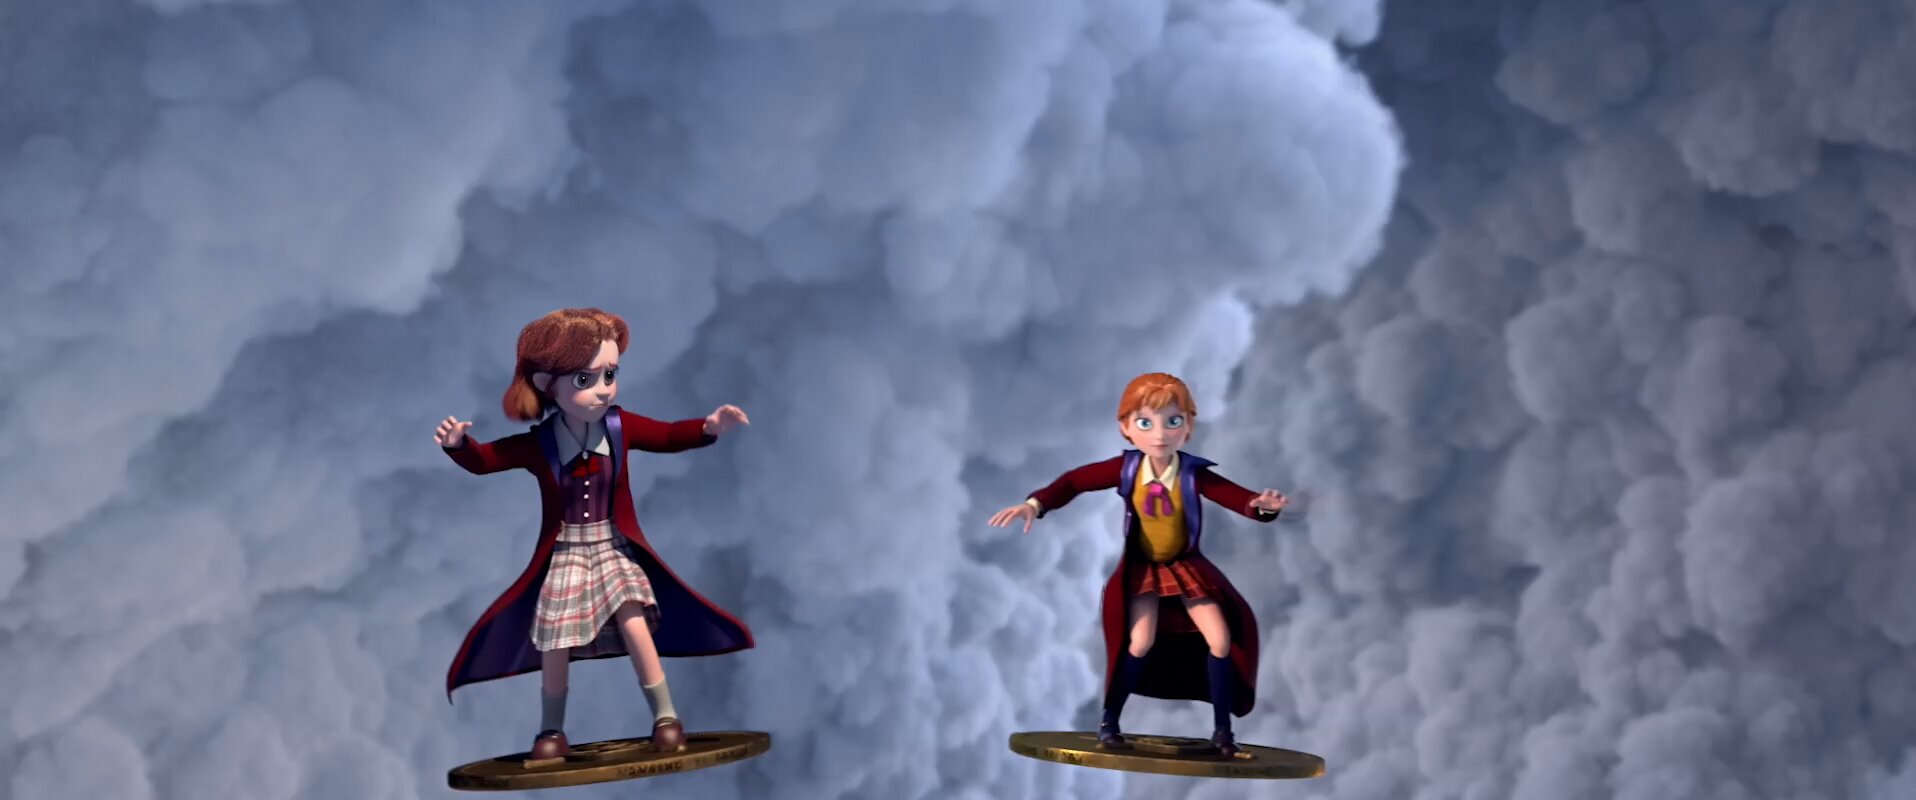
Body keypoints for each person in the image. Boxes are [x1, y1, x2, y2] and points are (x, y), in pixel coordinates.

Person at [434, 307, 752, 761]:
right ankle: (551, 730)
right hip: (567, 551)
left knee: (634, 619)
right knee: (556, 640)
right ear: (547, 384)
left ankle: (666, 717)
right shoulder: (541, 443)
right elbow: (488, 460)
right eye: (586, 380)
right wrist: (459, 446)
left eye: (610, 375)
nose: (603, 389)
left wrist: (707, 427)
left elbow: (665, 436)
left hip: (612, 547)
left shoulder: (620, 428)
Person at [988, 372, 1285, 756]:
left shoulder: (1192, 474)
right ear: (1126, 428)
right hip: (1144, 570)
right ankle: (1109, 723)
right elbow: (1075, 481)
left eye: (1172, 421)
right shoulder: (1127, 469)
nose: (1160, 433)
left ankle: (1222, 734)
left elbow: (1236, 497)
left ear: (1188, 428)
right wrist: (1036, 504)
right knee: (1140, 641)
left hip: (1185, 567)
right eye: (1146, 423)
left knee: (1220, 639)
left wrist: (1263, 507)